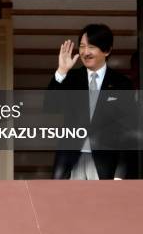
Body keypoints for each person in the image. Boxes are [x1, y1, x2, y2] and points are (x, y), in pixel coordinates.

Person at [47, 24, 137, 180]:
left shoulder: (122, 84)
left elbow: (127, 131)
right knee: (68, 204)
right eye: (82, 46)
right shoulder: (71, 78)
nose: (85, 52)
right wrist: (61, 71)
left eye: (92, 46)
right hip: (71, 159)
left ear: (107, 50)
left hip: (105, 161)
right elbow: (50, 106)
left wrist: (120, 174)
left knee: (102, 204)